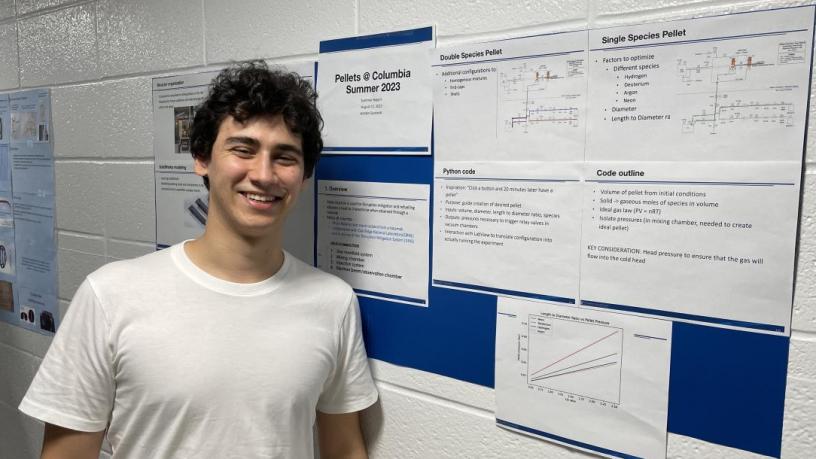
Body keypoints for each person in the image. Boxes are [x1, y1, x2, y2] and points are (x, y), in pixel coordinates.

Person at [19, 61, 378, 458]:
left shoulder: (333, 302)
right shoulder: (110, 296)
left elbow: (344, 449)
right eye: (243, 149)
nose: (263, 174)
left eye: (285, 157)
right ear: (202, 159)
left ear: (304, 175)